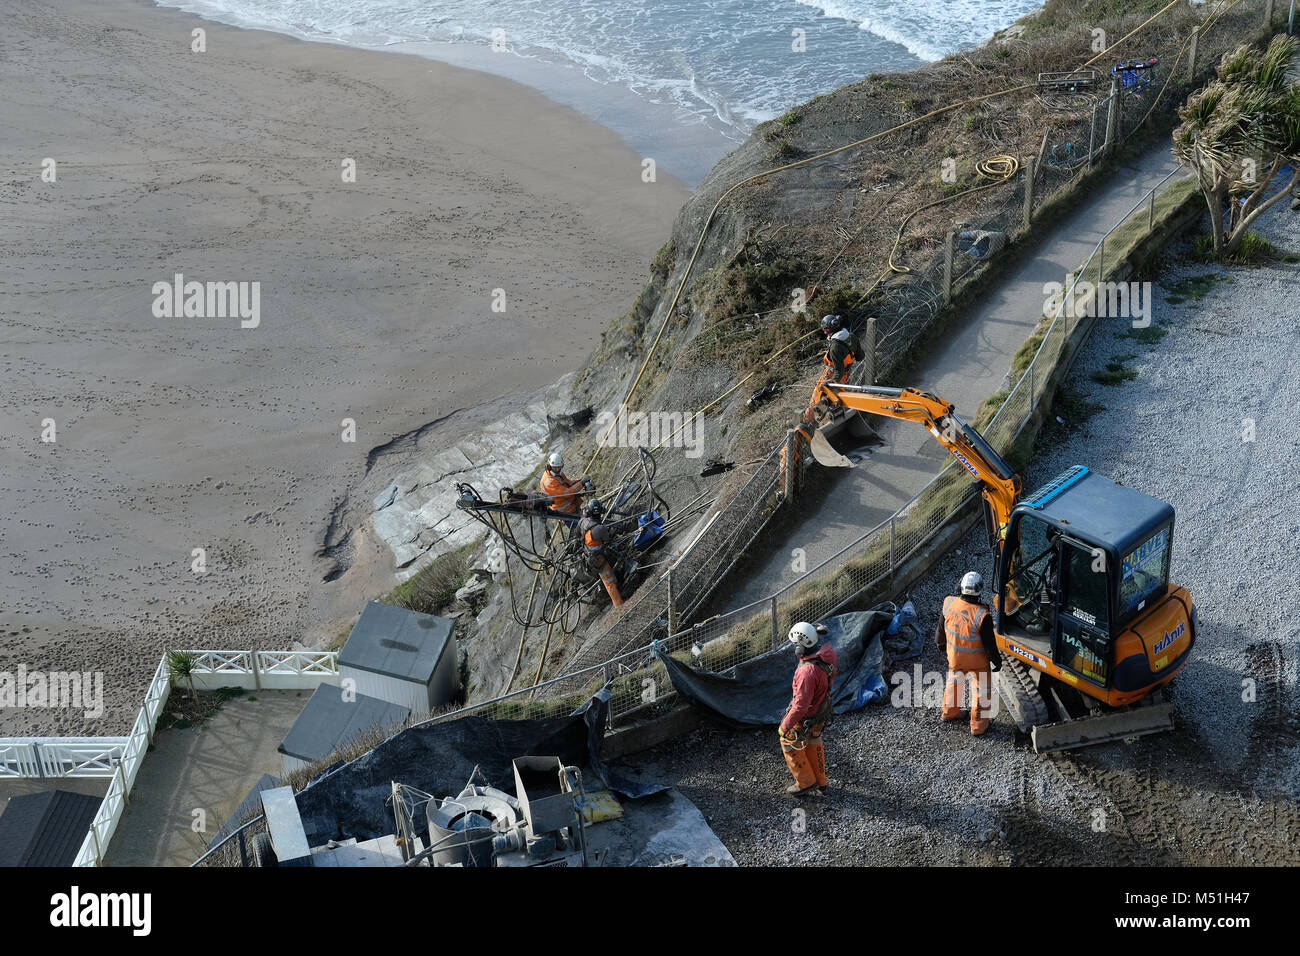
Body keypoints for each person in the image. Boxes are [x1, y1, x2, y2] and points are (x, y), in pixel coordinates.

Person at [937, 571, 1002, 735]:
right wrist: (997, 661)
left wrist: (941, 645)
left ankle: (949, 713)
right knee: (981, 691)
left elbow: (940, 631)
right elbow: (990, 645)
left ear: (960, 587)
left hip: (955, 658)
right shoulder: (982, 615)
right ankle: (978, 727)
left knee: (953, 683)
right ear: (980, 591)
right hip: (977, 662)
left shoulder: (948, 603)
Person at [779, 621, 837, 797]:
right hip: (822, 709)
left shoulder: (806, 673)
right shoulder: (827, 653)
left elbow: (801, 705)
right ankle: (821, 782)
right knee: (814, 740)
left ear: (800, 649)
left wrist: (784, 726)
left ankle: (805, 783)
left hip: (808, 714)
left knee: (788, 742)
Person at [577, 499, 642, 607]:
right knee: (610, 583)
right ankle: (619, 606)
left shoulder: (582, 521)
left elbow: (577, 535)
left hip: (588, 555)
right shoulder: (600, 528)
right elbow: (608, 540)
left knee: (612, 577)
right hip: (598, 560)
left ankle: (620, 585)